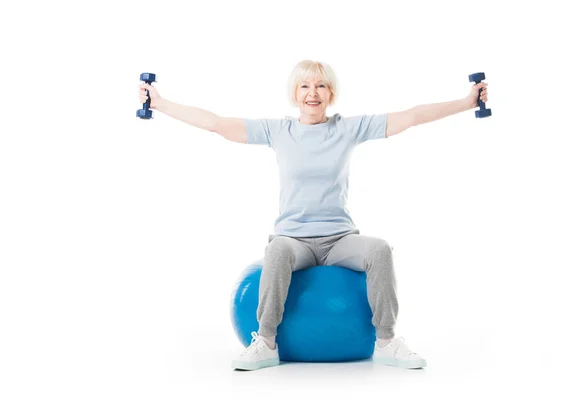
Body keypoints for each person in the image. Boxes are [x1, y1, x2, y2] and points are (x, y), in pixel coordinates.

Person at [138, 60, 489, 371]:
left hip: (340, 239)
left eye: (321, 85)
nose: (313, 92)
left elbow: (411, 117)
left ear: (331, 93)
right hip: (293, 240)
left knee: (379, 249)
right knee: (275, 251)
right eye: (305, 85)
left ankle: (386, 341)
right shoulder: (279, 131)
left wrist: (467, 102)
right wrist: (160, 103)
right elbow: (215, 123)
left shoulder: (348, 129)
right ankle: (266, 343)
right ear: (295, 93)